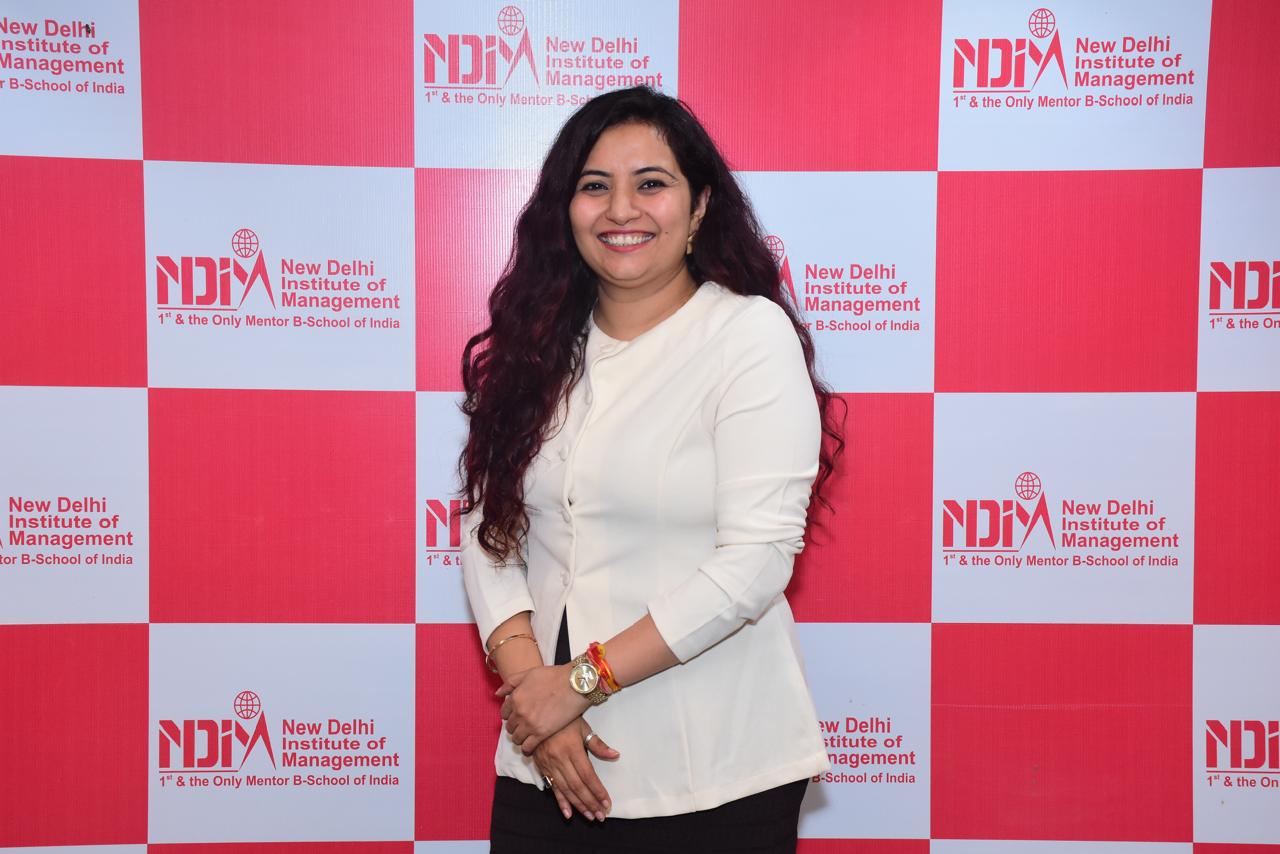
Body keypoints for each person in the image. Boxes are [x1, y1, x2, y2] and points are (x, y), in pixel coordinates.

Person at [456, 85, 846, 853]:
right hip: (548, 762)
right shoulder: (538, 349)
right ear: (565, 209)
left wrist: (577, 683)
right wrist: (536, 697)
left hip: (712, 770)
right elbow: (488, 527)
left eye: (651, 184)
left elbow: (756, 561)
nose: (621, 210)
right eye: (595, 186)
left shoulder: (747, 336)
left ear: (699, 208)